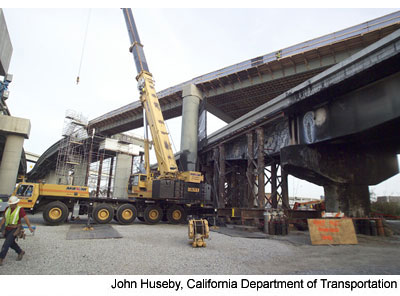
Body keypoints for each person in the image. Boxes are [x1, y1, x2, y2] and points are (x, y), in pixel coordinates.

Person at [0, 196, 34, 266]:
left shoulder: (20, 209)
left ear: (16, 203)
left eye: (11, 204)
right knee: (11, 243)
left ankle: (1, 259)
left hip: (15, 229)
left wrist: (29, 227)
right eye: (10, 204)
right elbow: (4, 218)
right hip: (7, 229)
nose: (10, 205)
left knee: (6, 244)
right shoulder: (7, 209)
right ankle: (20, 251)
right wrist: (0, 226)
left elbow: (25, 218)